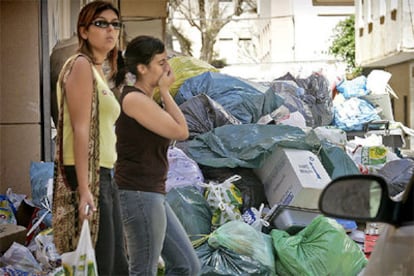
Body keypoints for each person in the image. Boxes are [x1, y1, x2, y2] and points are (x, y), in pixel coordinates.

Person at [52, 1, 128, 275]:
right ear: (83, 31)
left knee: (115, 262)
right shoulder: (81, 66)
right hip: (90, 176)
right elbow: (80, 129)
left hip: (104, 174)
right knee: (103, 262)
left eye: (115, 24)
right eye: (101, 23)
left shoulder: (96, 72)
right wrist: (84, 188)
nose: (110, 29)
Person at [115, 35, 201, 276]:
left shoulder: (145, 99)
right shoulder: (134, 99)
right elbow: (181, 131)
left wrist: (163, 92)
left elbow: (179, 128)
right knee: (143, 270)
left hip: (153, 191)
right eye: (160, 62)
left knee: (188, 266)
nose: (167, 68)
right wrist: (165, 90)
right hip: (138, 192)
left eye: (167, 61)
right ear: (142, 68)